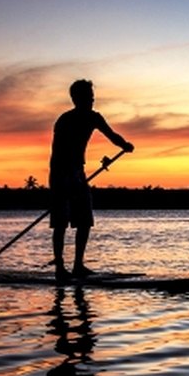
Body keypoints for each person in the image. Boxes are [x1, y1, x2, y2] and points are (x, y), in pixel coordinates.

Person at [49, 79, 134, 280]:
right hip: (61, 173)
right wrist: (63, 181)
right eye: (88, 96)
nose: (92, 99)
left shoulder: (95, 118)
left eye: (92, 96)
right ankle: (60, 268)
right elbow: (57, 151)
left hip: (78, 172)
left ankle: (78, 265)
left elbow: (112, 136)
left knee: (84, 219)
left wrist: (125, 145)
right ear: (76, 98)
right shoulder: (65, 120)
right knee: (61, 223)